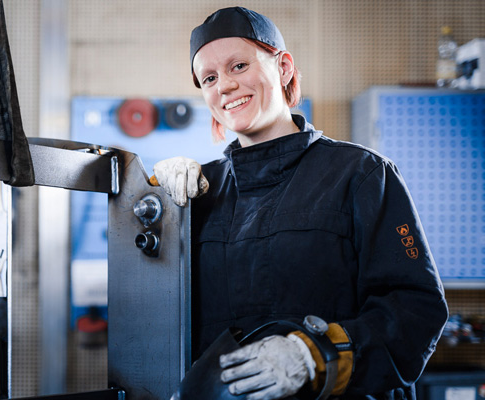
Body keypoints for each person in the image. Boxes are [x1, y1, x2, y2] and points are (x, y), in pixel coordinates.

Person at [153, 6, 448, 400]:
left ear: (284, 67)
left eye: (239, 66)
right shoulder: (202, 190)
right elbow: (159, 307)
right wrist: (157, 198)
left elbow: (415, 309)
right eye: (209, 77)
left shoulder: (360, 174)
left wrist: (317, 352)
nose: (223, 85)